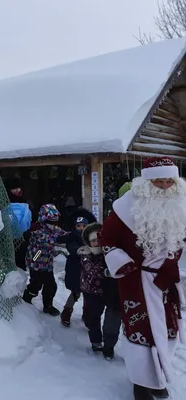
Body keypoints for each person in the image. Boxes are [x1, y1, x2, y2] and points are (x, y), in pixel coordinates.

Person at [98, 157, 186, 400]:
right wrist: (120, 261)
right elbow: (105, 239)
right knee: (140, 332)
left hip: (168, 280)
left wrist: (174, 266)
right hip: (137, 280)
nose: (166, 187)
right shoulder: (123, 209)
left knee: (168, 330)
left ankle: (157, 377)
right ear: (146, 183)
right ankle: (140, 382)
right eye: (160, 182)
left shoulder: (181, 205)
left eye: (170, 181)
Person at [78, 223, 121, 360]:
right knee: (93, 317)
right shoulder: (86, 254)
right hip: (90, 291)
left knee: (109, 317)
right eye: (93, 240)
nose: (97, 243)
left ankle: (108, 344)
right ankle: (96, 340)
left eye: (99, 239)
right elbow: (93, 269)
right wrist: (108, 272)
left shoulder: (107, 252)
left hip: (106, 291)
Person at [22, 204, 66, 316]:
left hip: (48, 263)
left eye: (55, 222)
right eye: (50, 222)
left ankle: (48, 305)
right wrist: (58, 239)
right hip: (36, 260)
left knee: (51, 286)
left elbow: (63, 234)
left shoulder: (55, 230)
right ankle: (26, 299)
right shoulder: (36, 230)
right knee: (35, 285)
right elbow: (45, 241)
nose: (53, 225)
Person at [58, 215, 89, 327]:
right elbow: (72, 248)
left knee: (89, 293)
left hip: (89, 270)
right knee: (76, 292)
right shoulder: (72, 237)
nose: (81, 228)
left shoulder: (90, 237)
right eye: (78, 226)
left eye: (84, 226)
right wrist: (80, 250)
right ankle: (67, 312)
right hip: (75, 269)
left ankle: (87, 314)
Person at [5, 177, 33, 270]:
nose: (18, 190)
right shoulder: (5, 202)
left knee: (21, 257)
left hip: (23, 236)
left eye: (19, 188)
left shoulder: (24, 201)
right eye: (14, 188)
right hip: (9, 236)